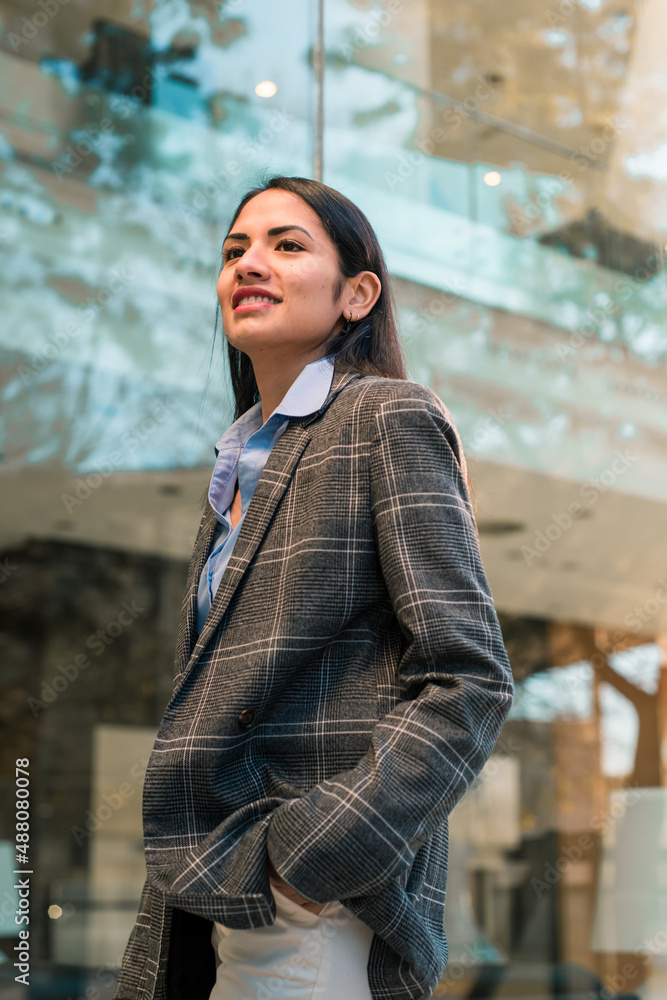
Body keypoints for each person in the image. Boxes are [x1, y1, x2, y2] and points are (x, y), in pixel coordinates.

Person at [113, 176, 514, 1000]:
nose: (249, 263)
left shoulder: (385, 417)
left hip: (312, 909)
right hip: (213, 883)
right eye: (235, 250)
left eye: (286, 246)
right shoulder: (238, 463)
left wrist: (311, 858)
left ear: (356, 294)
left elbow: (469, 678)